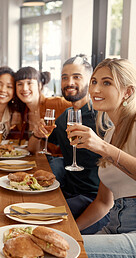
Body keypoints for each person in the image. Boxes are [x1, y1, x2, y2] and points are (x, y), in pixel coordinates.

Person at [28, 55, 109, 234]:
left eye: (76, 77)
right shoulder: (65, 117)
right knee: (22, 208)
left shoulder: (102, 119)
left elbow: (107, 200)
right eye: (64, 77)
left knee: (35, 223)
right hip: (65, 191)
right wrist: (37, 133)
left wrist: (72, 229)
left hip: (92, 201)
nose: (69, 82)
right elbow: (32, 149)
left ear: (90, 80)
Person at [68, 58, 136, 258]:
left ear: (128, 92)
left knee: (65, 257)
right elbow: (103, 203)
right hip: (115, 225)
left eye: (106, 82)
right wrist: (71, 232)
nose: (95, 89)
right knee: (59, 245)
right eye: (94, 81)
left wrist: (102, 147)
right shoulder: (109, 134)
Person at [12, 66, 71, 143]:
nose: (24, 88)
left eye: (29, 83)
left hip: (60, 155)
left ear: (39, 85)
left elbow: (80, 107)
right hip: (39, 155)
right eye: (20, 84)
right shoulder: (24, 111)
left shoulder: (55, 103)